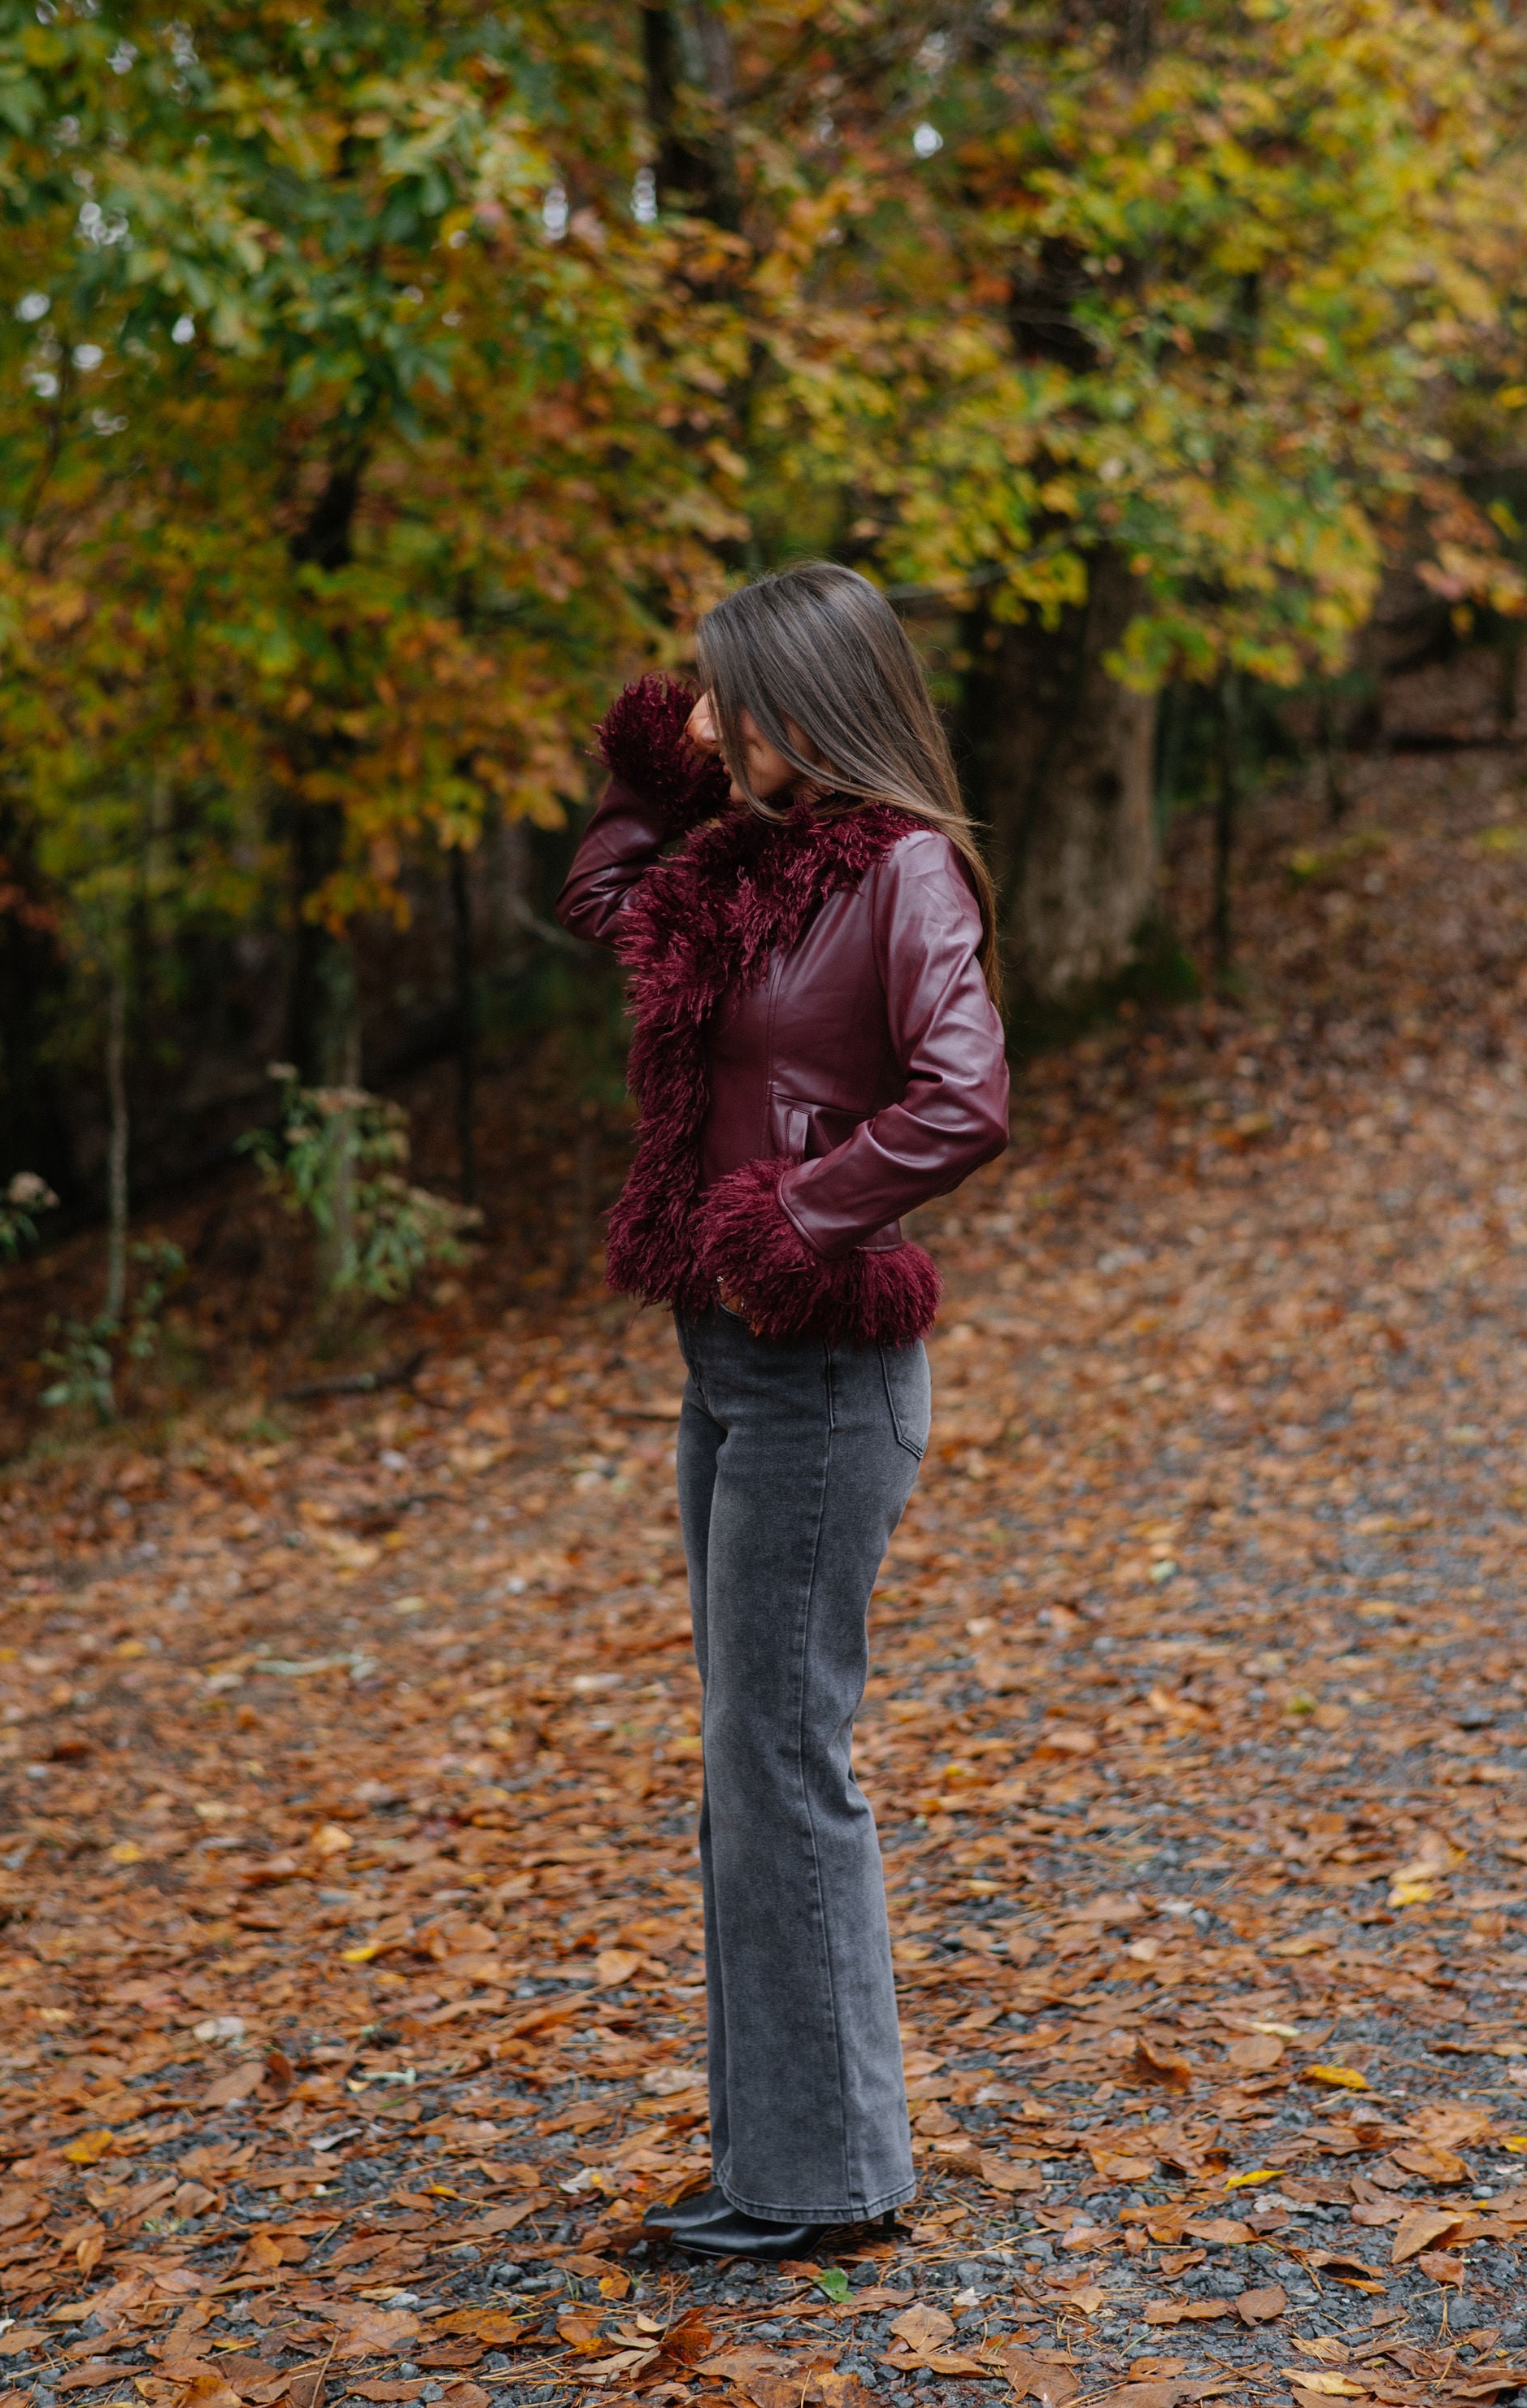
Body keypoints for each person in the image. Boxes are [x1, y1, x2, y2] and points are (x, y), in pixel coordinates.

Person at [556, 561, 1009, 2260]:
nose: (717, 720)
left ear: (812, 698)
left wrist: (792, 1215)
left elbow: (967, 1095)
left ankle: (821, 2185)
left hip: (819, 1360)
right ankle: (788, 2156)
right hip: (726, 1358)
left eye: (732, 696)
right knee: (748, 1758)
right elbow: (605, 898)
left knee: (781, 1754)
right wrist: (653, 771)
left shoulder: (900, 871)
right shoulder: (738, 868)